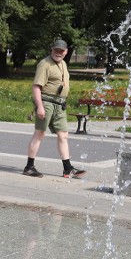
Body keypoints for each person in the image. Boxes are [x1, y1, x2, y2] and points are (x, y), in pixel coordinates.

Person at [23, 39, 87, 179]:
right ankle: (29, 167)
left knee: (63, 135)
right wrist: (39, 106)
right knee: (40, 134)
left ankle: (67, 168)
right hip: (47, 102)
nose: (58, 53)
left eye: (61, 51)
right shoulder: (44, 64)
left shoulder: (63, 63)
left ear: (66, 52)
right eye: (56, 50)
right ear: (51, 50)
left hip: (60, 104)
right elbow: (36, 87)